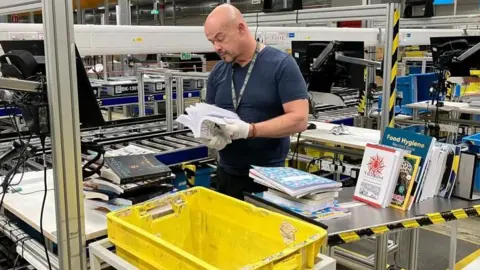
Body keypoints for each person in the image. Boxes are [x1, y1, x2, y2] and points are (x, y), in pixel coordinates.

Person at [203, 4, 309, 200]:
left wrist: (250, 130)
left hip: (269, 179)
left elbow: (299, 119)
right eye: (212, 41)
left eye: (220, 38)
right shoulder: (218, 71)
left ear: (241, 29)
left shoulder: (281, 65)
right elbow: (209, 117)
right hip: (227, 176)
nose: (216, 47)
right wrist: (209, 134)